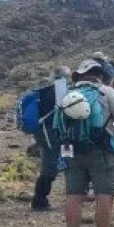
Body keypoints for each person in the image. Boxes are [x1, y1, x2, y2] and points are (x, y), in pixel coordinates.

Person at [59, 59, 114, 227]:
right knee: (104, 194)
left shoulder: (67, 93)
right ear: (99, 75)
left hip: (72, 150)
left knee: (74, 195)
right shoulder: (106, 92)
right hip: (103, 151)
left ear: (80, 76)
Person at [31, 67, 70, 211]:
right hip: (53, 135)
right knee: (51, 166)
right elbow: (63, 113)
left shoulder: (48, 90)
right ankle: (39, 201)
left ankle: (72, 196)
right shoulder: (59, 91)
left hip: (46, 134)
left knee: (65, 160)